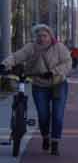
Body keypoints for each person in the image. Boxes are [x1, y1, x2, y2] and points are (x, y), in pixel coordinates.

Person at [6, 23, 73, 155]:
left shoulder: (59, 47)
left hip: (58, 84)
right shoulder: (31, 47)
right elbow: (16, 56)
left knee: (58, 115)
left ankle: (55, 143)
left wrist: (54, 72)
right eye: (39, 36)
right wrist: (4, 64)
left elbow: (68, 62)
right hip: (39, 85)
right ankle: (45, 137)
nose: (41, 38)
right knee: (43, 116)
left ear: (50, 36)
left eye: (44, 35)